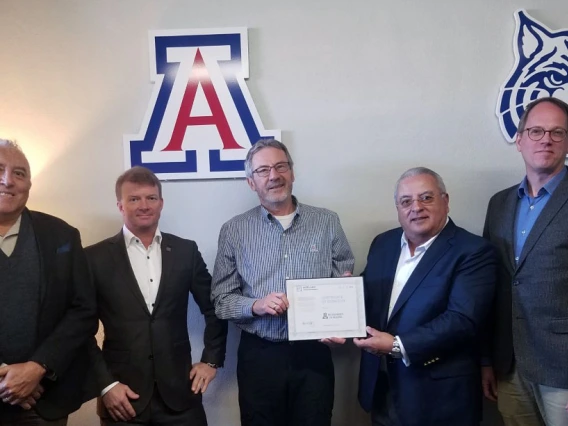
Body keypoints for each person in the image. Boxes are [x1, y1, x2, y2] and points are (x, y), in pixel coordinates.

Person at [211, 139, 354, 426]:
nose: (273, 175)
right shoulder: (234, 230)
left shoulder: (327, 222)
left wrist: (342, 323)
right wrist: (256, 305)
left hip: (314, 353)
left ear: (292, 172)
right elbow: (221, 301)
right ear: (251, 182)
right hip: (260, 355)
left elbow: (345, 281)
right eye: (263, 170)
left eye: (280, 166)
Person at [85, 166, 227, 426]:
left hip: (181, 397)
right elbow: (80, 328)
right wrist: (105, 385)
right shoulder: (93, 258)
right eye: (134, 199)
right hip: (122, 399)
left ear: (161, 203)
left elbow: (215, 306)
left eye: (151, 198)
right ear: (120, 205)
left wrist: (211, 360)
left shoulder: (186, 251)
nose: (144, 205)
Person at [355, 167, 497, 426]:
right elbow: (366, 298)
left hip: (439, 398)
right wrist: (341, 310)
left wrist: (397, 344)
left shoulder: (474, 252)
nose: (416, 207)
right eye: (406, 201)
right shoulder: (383, 243)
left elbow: (462, 320)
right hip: (383, 390)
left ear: (446, 201)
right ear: (397, 209)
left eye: (426, 198)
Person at [483, 97, 568, 426]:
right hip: (510, 364)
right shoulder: (500, 203)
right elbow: (494, 285)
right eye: (536, 131)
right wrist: (487, 359)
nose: (546, 139)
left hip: (561, 366)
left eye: (557, 132)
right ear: (519, 141)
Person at [0, 139, 96, 425]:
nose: (8, 181)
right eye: (0, 169)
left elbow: (84, 311)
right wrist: (6, 379)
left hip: (43, 400)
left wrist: (37, 368)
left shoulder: (62, 235)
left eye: (19, 173)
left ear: (29, 184)